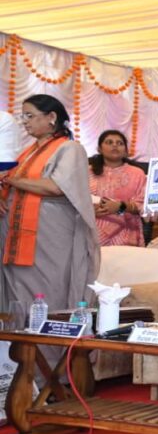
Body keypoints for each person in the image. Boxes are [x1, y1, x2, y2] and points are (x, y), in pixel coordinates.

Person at [0, 94, 100, 323]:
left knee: (48, 290)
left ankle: (49, 343)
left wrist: (12, 180)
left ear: (51, 117)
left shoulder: (70, 148)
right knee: (17, 297)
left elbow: (56, 187)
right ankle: (20, 343)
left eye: (30, 115)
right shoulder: (26, 153)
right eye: (22, 116)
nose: (24, 122)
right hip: (16, 237)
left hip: (49, 236)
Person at [88, 129, 147, 247]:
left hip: (126, 233)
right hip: (91, 231)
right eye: (109, 142)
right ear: (99, 149)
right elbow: (76, 200)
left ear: (125, 151)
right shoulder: (87, 171)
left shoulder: (137, 174)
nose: (115, 145)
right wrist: (89, 211)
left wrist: (120, 208)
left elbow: (142, 206)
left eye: (120, 143)